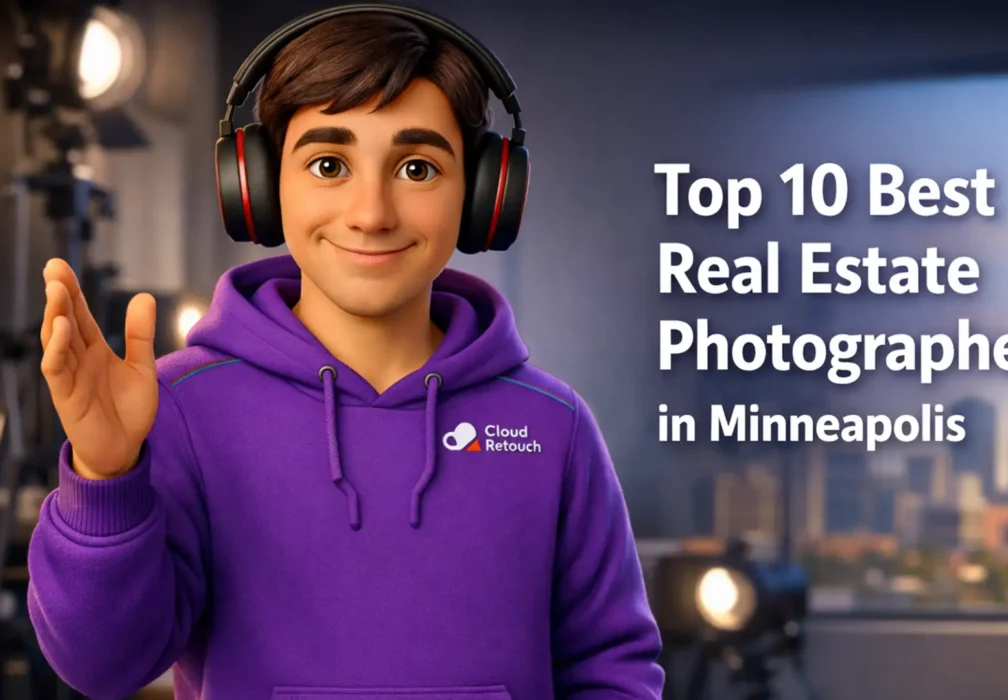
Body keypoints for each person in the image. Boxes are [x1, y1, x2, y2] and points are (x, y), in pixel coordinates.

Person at [28, 6, 665, 700]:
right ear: (260, 185)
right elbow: (101, 666)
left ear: (485, 195)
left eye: (417, 168)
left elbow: (612, 669)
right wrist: (103, 476)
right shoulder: (177, 408)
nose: (371, 212)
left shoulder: (552, 426)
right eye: (329, 164)